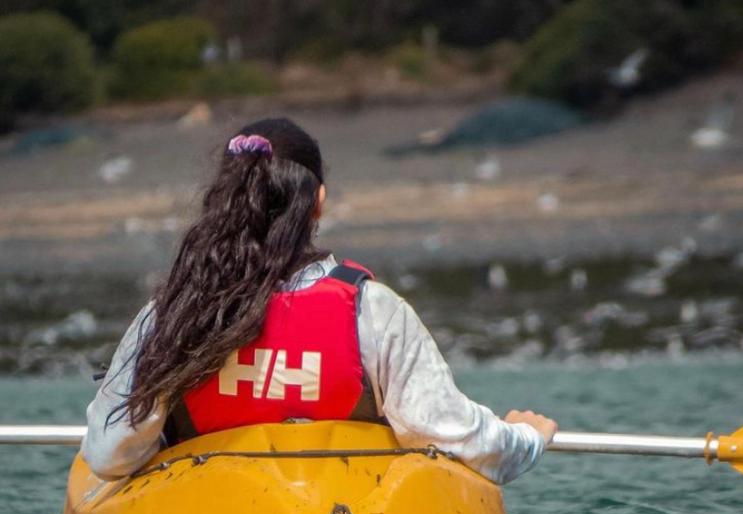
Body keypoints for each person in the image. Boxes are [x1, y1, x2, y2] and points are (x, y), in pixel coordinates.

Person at [83, 117, 557, 482]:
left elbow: (108, 454)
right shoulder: (374, 311)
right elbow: (457, 439)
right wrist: (527, 438)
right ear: (318, 201)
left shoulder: (172, 314)